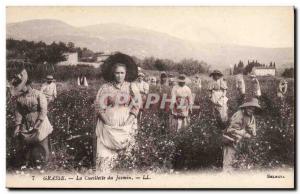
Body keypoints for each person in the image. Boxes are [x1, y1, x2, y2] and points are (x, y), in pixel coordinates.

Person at [94, 53, 142, 172]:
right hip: (108, 123)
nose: (119, 76)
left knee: (127, 153)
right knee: (106, 155)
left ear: (126, 74)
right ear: (113, 73)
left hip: (126, 122)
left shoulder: (131, 87)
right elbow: (99, 107)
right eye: (117, 73)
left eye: (122, 73)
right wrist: (107, 122)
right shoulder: (106, 87)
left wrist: (128, 121)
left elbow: (136, 105)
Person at [11, 69, 53, 166]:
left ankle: (45, 164)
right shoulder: (20, 98)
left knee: (42, 143)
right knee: (28, 144)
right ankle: (30, 163)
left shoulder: (38, 94)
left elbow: (43, 110)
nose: (20, 89)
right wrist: (17, 127)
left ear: (27, 84)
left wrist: (38, 123)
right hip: (27, 122)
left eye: (21, 87)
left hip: (40, 121)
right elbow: (19, 112)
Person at [222, 98, 261, 171]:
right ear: (246, 107)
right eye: (249, 108)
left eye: (253, 109)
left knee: (237, 159)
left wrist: (251, 134)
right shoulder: (239, 114)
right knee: (229, 157)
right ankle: (226, 173)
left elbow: (252, 129)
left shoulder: (251, 117)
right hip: (231, 138)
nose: (251, 110)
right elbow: (232, 128)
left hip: (240, 140)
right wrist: (243, 133)